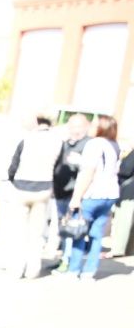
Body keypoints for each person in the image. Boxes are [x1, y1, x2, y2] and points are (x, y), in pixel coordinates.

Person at [4, 114, 61, 279]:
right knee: (36, 232)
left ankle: (16, 268)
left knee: (19, 232)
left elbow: (14, 164)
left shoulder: (27, 139)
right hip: (44, 188)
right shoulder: (57, 142)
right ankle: (33, 269)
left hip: (22, 186)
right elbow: (59, 167)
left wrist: (12, 179)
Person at [65, 114, 121, 281]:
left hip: (92, 193)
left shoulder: (95, 144)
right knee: (97, 234)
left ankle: (73, 269)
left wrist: (76, 198)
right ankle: (90, 271)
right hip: (109, 193)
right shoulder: (115, 145)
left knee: (79, 231)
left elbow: (88, 172)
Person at [51, 114, 91, 270]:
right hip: (60, 191)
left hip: (74, 194)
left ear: (85, 127)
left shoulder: (88, 145)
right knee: (62, 228)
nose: (74, 130)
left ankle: (68, 261)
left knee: (71, 229)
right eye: (71, 126)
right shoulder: (65, 144)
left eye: (77, 126)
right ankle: (62, 258)